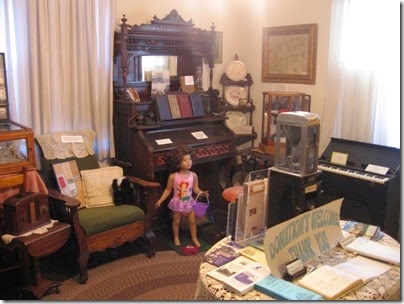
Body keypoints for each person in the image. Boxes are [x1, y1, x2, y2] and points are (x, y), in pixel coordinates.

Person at [155, 145, 208, 247]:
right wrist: (161, 199)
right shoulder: (173, 177)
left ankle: (194, 238)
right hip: (178, 204)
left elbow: (195, 188)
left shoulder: (193, 175)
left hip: (189, 203)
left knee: (192, 222)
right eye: (184, 160)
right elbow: (168, 189)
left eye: (190, 159)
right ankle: (176, 237)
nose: (188, 162)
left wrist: (202, 193)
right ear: (178, 163)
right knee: (176, 221)